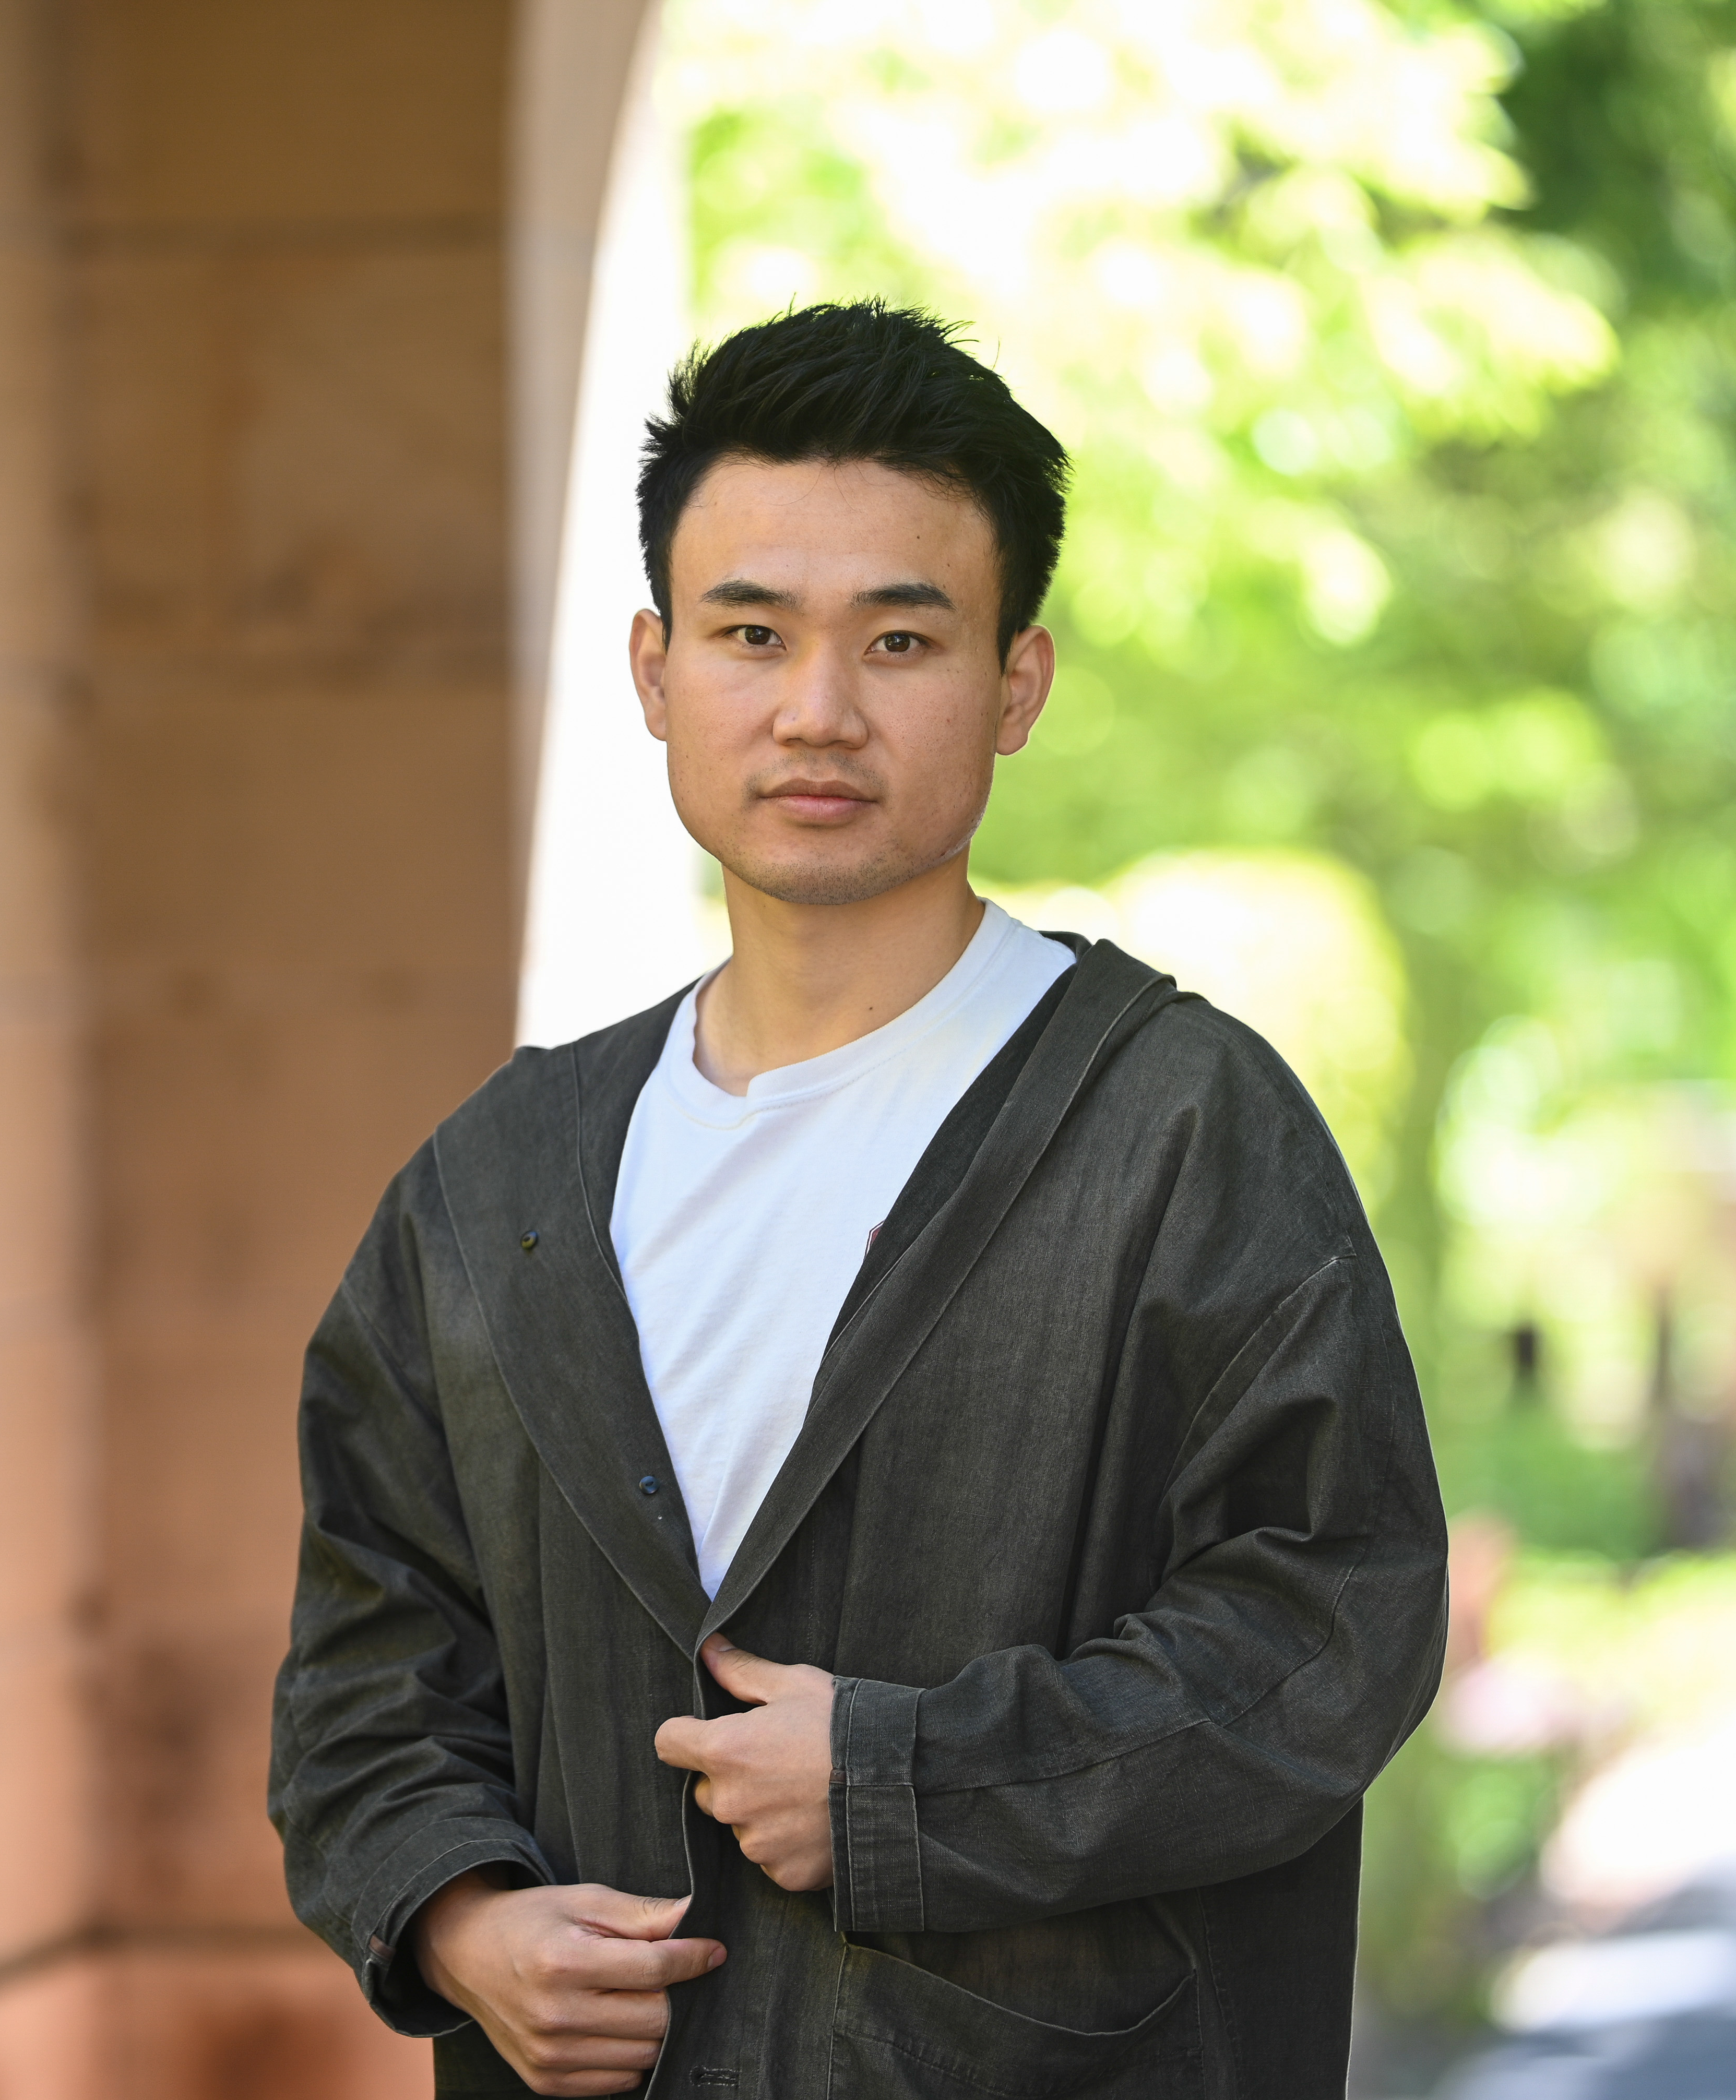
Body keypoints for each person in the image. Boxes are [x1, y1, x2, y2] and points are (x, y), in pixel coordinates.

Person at [269, 302, 1447, 2098]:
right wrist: (460, 1919)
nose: (818, 710)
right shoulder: (496, 1184)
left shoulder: (1181, 1129)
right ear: (658, 675)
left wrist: (921, 1785)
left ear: (1015, 684)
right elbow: (372, 1656)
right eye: (753, 634)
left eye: (901, 639)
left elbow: (1329, 1625)